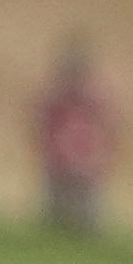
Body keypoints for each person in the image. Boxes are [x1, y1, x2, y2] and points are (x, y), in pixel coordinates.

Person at [34, 33, 118, 236]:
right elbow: (43, 120)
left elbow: (109, 126)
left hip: (85, 157)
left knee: (85, 208)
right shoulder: (58, 96)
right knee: (57, 204)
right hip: (61, 156)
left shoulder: (95, 97)